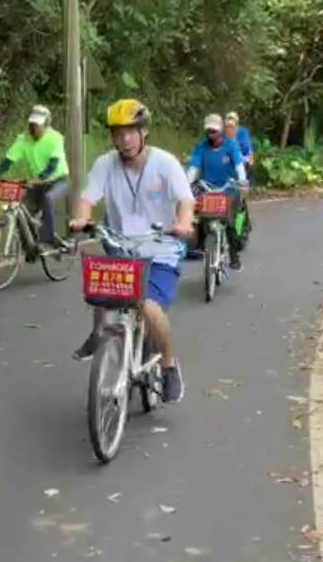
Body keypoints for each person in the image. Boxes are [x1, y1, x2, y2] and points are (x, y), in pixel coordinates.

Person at [69, 99, 194, 402]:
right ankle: (99, 335)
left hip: (160, 249)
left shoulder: (165, 163)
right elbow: (88, 197)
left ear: (143, 132)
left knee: (149, 307)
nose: (125, 139)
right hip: (122, 246)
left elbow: (185, 200)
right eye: (118, 133)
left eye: (131, 132)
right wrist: (82, 218)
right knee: (103, 287)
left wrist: (183, 223)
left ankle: (168, 365)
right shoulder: (104, 164)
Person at [0, 104, 70, 252]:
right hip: (37, 184)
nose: (33, 128)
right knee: (21, 210)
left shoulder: (55, 138)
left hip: (58, 180)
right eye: (31, 124)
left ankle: (47, 239)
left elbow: (52, 165)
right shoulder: (23, 140)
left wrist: (39, 179)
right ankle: (31, 247)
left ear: (46, 124)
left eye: (37, 124)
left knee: (48, 199)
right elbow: (8, 159)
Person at [185, 113, 248, 270]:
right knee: (198, 215)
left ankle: (234, 256)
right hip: (207, 186)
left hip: (229, 186)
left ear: (220, 130)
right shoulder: (201, 147)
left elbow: (239, 166)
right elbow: (193, 168)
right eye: (209, 130)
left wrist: (242, 180)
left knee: (230, 221)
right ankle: (198, 244)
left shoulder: (231, 145)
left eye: (214, 130)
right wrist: (186, 183)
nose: (211, 133)